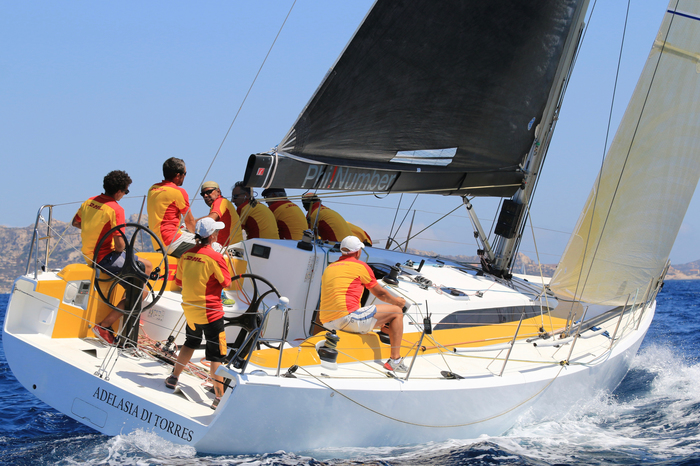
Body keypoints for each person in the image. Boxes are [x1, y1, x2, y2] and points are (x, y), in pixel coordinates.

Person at [72, 170, 153, 344]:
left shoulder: (89, 202)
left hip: (89, 254)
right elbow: (120, 245)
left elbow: (76, 222)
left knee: (146, 265)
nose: (124, 195)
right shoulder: (116, 209)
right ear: (118, 192)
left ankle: (128, 305)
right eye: (126, 191)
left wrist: (94, 232)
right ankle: (105, 325)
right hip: (105, 257)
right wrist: (118, 249)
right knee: (142, 292)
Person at [165, 217, 231, 409]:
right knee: (216, 355)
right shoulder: (217, 258)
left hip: (191, 311)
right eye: (216, 232)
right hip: (211, 313)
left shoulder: (185, 255)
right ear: (213, 236)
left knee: (190, 342)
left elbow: (179, 282)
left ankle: (173, 377)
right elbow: (227, 283)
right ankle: (219, 398)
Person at [319, 235, 407, 372]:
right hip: (346, 319)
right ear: (358, 251)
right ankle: (395, 361)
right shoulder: (361, 266)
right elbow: (381, 294)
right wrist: (398, 302)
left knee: (374, 313)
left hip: (326, 321)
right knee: (396, 312)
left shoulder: (330, 267)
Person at [147, 157, 196, 257]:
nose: (185, 177)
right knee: (212, 247)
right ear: (178, 175)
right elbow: (189, 221)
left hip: (157, 242)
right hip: (171, 241)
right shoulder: (178, 192)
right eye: (185, 174)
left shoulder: (152, 189)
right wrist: (197, 237)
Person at [199, 181, 243, 247]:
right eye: (203, 194)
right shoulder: (217, 204)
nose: (205, 196)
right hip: (228, 249)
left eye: (208, 192)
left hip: (229, 250)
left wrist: (191, 223)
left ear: (218, 191)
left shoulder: (221, 201)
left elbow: (211, 218)